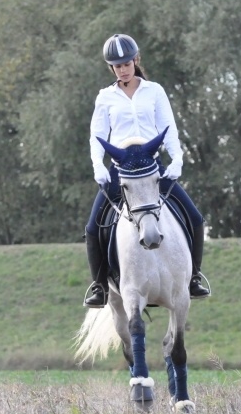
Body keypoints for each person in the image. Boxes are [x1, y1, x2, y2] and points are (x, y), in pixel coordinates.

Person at [83, 34, 211, 307]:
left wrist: (177, 159)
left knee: (195, 218)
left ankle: (194, 277)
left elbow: (168, 127)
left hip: (152, 168)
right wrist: (98, 166)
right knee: (93, 227)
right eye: (117, 66)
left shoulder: (154, 91)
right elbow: (97, 135)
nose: (123, 70)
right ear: (111, 68)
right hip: (121, 170)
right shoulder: (105, 97)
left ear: (136, 60)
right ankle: (100, 286)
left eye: (127, 64)